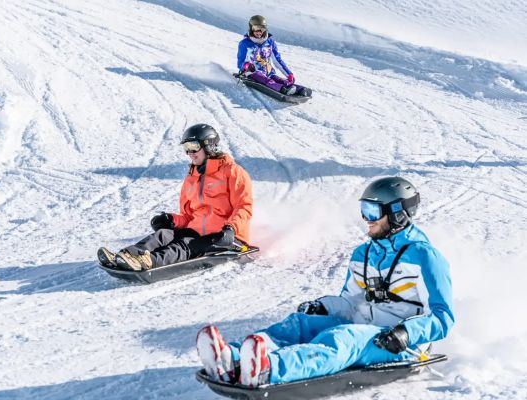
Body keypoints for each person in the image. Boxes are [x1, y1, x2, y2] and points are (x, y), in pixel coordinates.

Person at [197, 177, 454, 387]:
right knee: (300, 324)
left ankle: (269, 368)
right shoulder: (363, 254)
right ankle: (232, 357)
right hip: (362, 324)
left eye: (373, 211)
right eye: (364, 209)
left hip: (396, 342)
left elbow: (443, 317)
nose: (366, 218)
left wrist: (406, 333)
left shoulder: (425, 257)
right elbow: (349, 302)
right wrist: (324, 306)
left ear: (398, 213)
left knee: (340, 338)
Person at [97, 124, 253, 271]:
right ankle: (126, 255)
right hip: (196, 231)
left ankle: (149, 261)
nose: (190, 153)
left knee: (183, 245)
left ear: (209, 146)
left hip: (223, 236)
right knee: (162, 234)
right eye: (186, 148)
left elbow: (244, 206)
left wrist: (231, 229)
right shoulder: (191, 178)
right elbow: (188, 216)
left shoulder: (232, 172)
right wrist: (172, 220)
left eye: (194, 147)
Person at [237, 15, 310, 97]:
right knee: (267, 81)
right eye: (256, 28)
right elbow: (240, 62)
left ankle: (300, 89)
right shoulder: (245, 44)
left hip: (268, 72)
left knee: (279, 80)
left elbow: (278, 60)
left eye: (262, 29)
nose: (259, 32)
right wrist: (246, 66)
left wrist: (288, 74)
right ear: (251, 28)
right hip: (252, 73)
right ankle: (283, 89)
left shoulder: (270, 42)